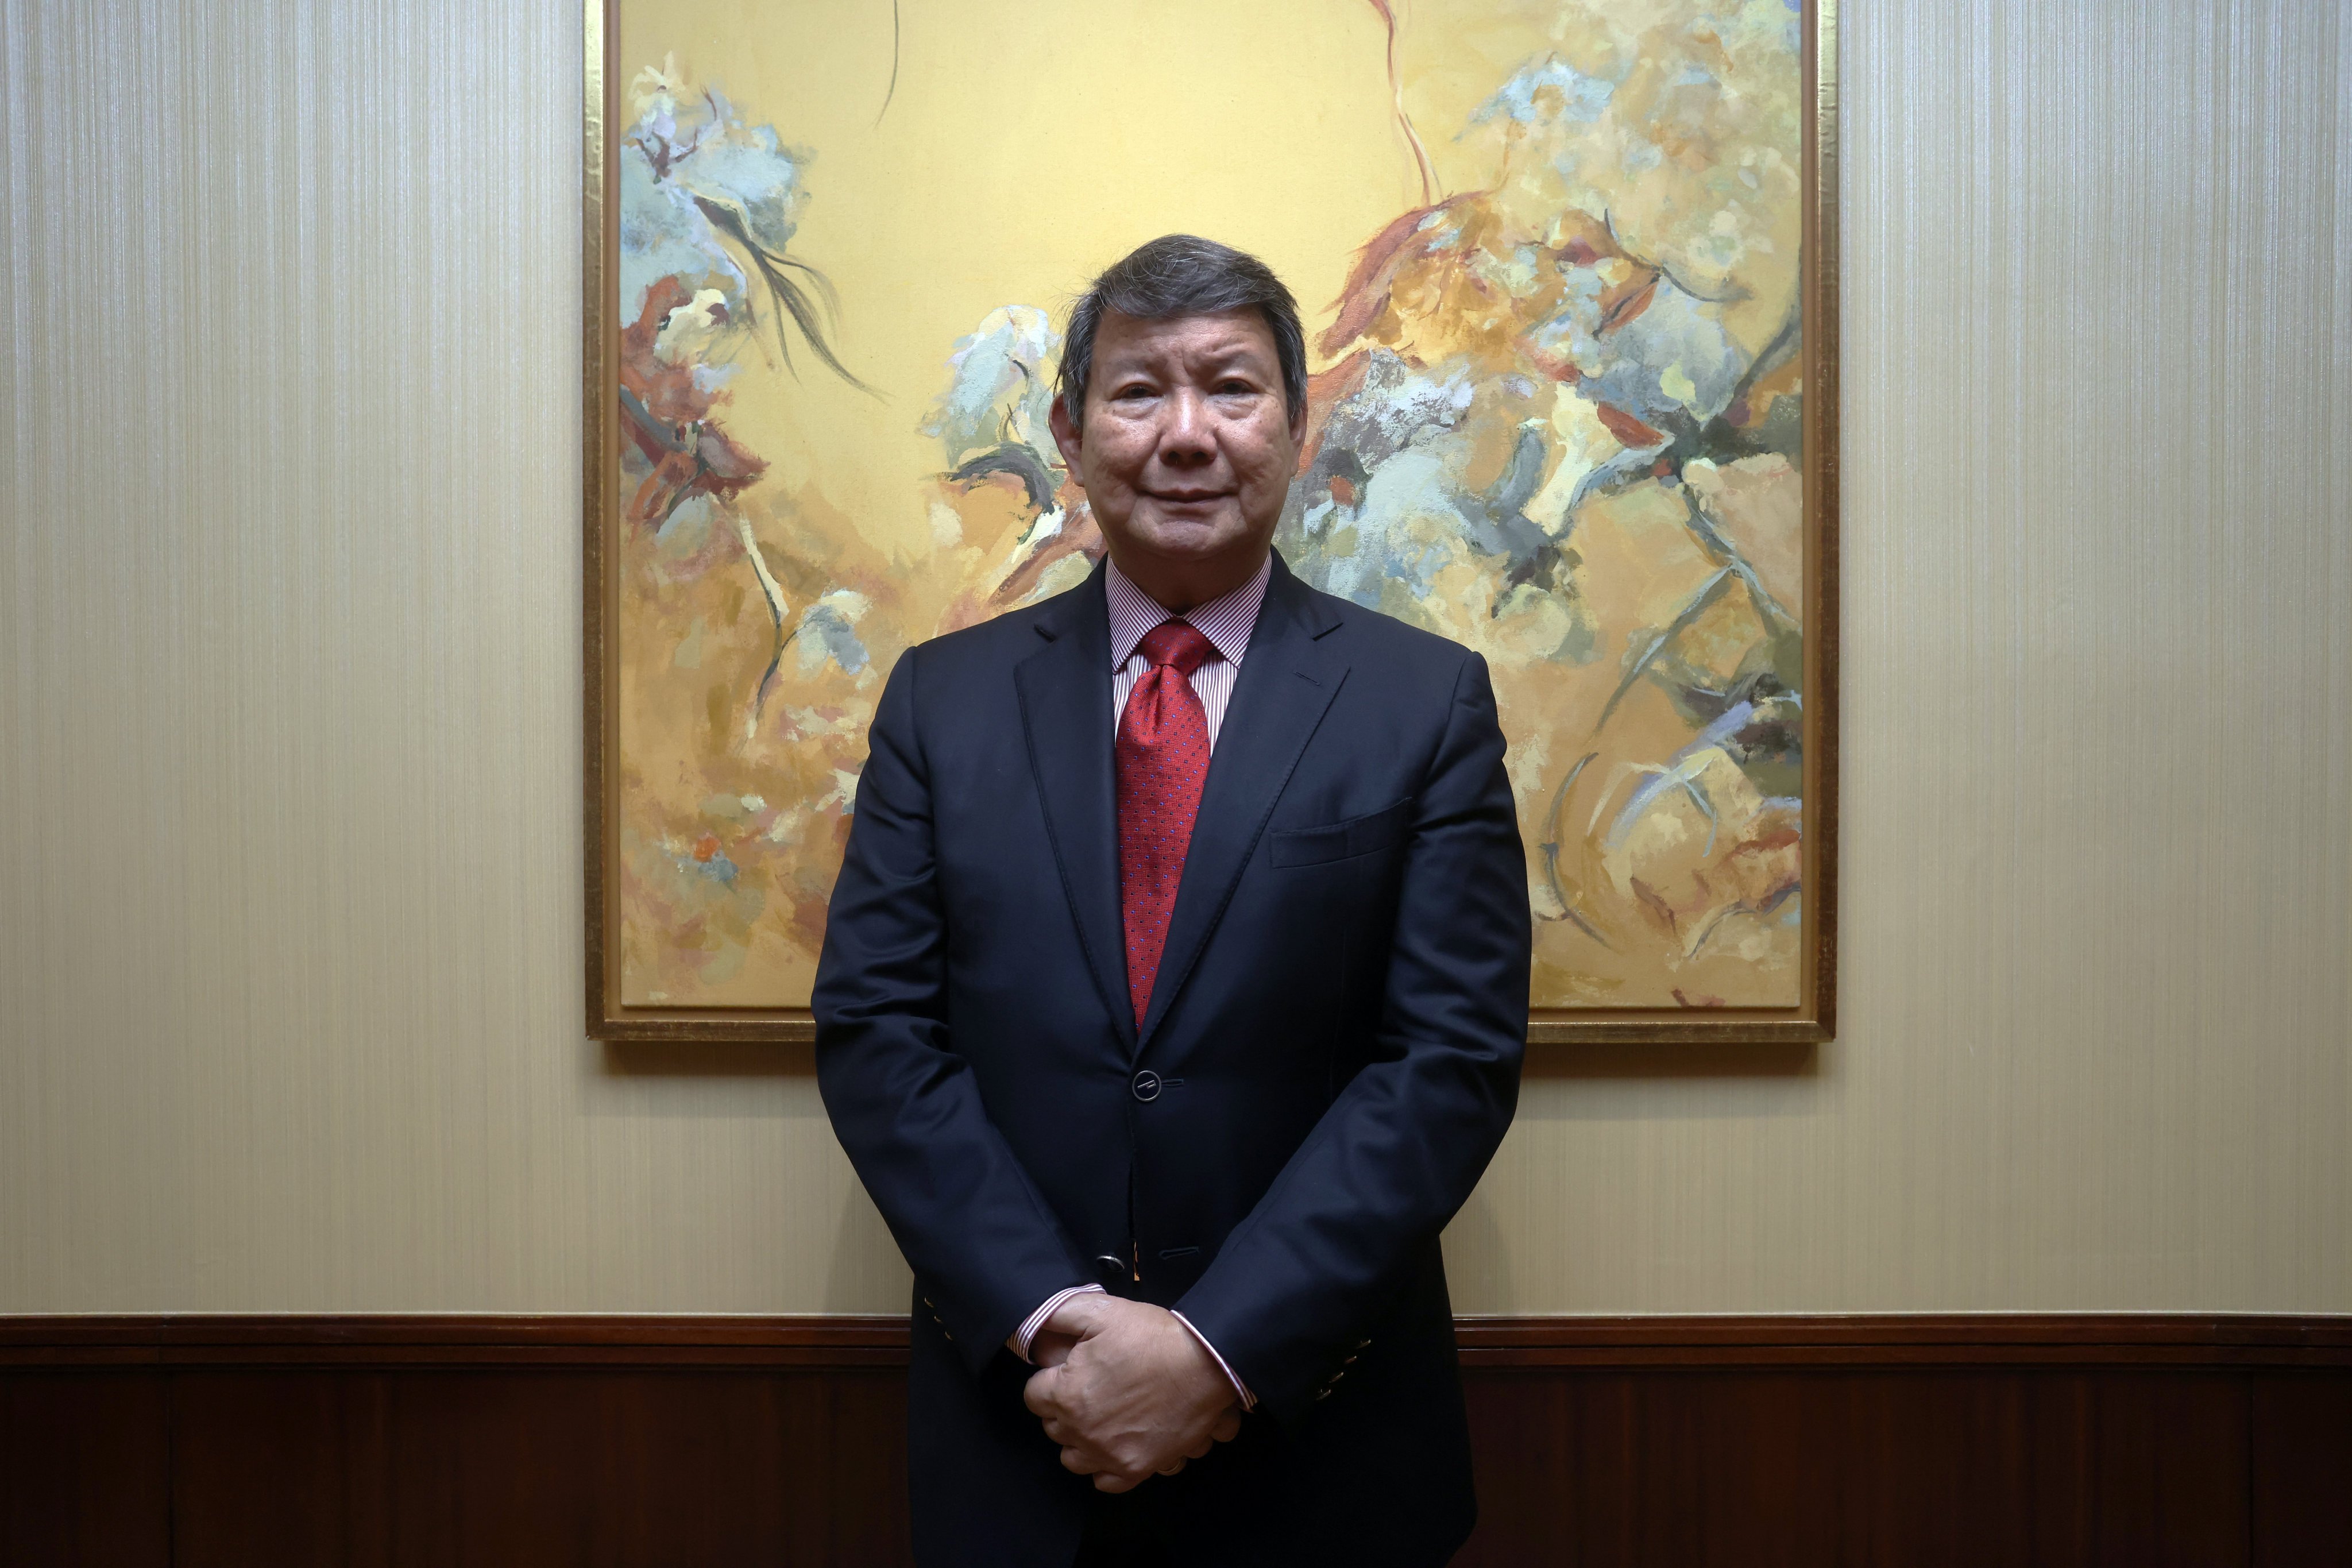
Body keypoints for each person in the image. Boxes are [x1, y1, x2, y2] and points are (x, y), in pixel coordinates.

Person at [814, 234, 1530, 1567]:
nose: (1187, 434)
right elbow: (878, 1039)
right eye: (1140, 392)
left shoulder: (1422, 704)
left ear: (1298, 425)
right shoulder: (939, 701)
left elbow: (1447, 1065)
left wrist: (1216, 1348)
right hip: (1021, 1427)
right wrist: (1055, 1322)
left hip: (1325, 1440)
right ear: (1068, 433)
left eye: (1232, 388)